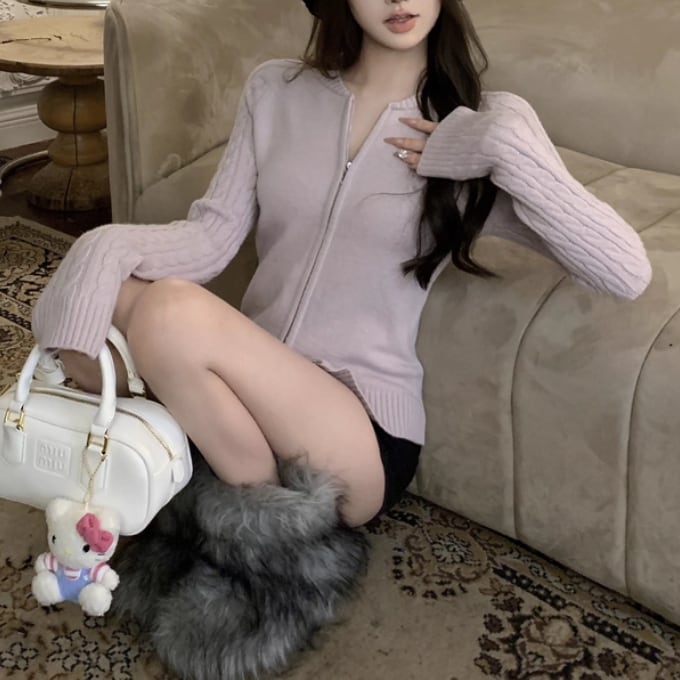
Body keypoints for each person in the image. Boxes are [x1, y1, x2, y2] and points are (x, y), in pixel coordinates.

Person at [31, 0, 652, 678]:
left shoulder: (474, 127)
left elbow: (624, 270)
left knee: (168, 312)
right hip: (257, 382)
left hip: (359, 429)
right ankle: (195, 486)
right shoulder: (276, 91)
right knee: (127, 299)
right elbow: (211, 236)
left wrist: (500, 143)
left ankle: (259, 537)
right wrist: (102, 247)